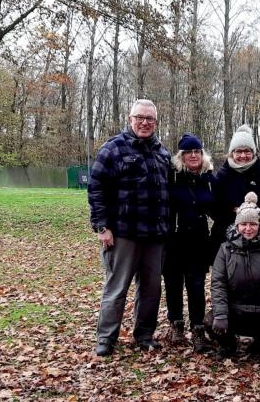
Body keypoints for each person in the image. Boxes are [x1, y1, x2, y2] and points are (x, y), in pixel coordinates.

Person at [88, 99, 170, 357]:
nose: (145, 122)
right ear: (130, 118)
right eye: (140, 117)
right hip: (123, 234)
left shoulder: (162, 153)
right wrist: (102, 226)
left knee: (151, 290)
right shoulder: (113, 149)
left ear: (155, 122)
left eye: (150, 118)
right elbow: (96, 188)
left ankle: (144, 335)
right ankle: (106, 338)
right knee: (116, 289)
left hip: (155, 235)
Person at [206, 192, 260, 360]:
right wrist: (221, 314)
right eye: (243, 224)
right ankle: (228, 345)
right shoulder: (225, 249)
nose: (248, 229)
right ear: (237, 226)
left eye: (253, 224)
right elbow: (218, 284)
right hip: (235, 312)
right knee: (210, 320)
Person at [163, 133, 216, 353]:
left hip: (198, 240)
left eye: (197, 151)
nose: (193, 155)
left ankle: (197, 329)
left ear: (202, 155)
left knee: (196, 286)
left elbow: (217, 207)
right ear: (181, 156)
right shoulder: (172, 176)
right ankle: (176, 324)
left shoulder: (208, 178)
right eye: (188, 152)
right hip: (174, 239)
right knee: (173, 284)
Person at [210, 124, 260, 254]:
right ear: (232, 153)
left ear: (253, 153)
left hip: (253, 237)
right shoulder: (222, 175)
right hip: (224, 238)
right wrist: (234, 210)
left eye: (247, 151)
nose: (243, 155)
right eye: (238, 151)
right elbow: (214, 210)